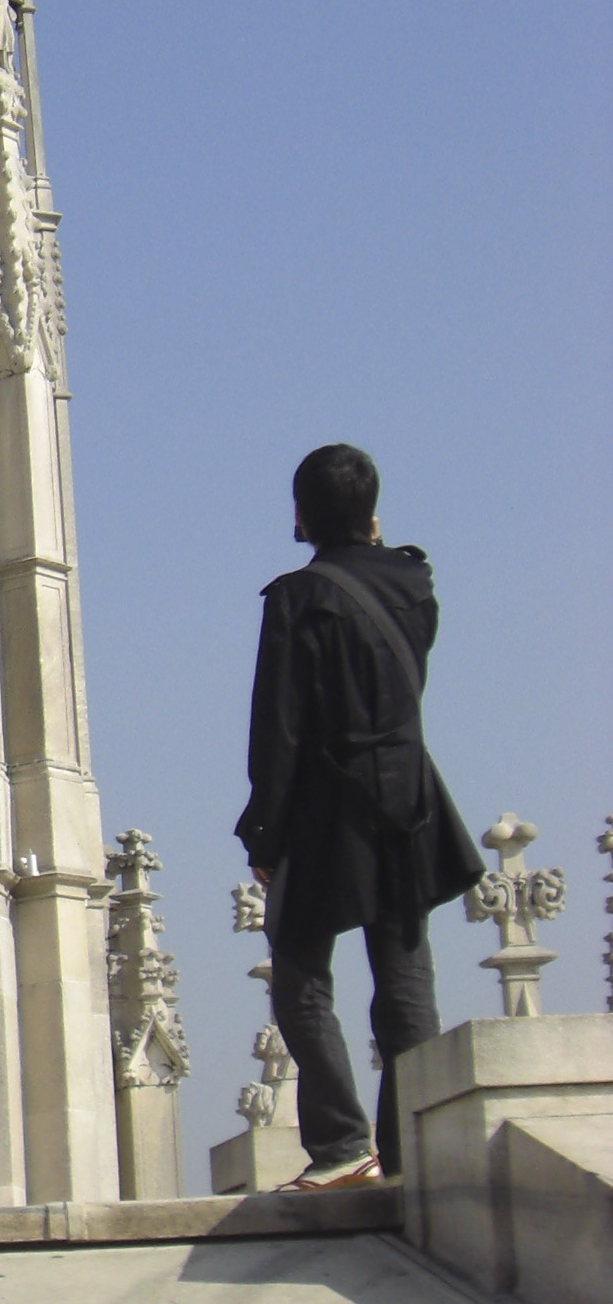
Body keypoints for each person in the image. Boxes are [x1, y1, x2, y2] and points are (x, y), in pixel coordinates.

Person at [236, 443, 481, 1188]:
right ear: (372, 512)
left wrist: (264, 831)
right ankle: (414, 1147)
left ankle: (344, 1146)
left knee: (299, 973)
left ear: (301, 514)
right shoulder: (414, 584)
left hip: (328, 805)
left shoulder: (297, 598)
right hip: (408, 797)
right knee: (405, 976)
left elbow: (279, 729)